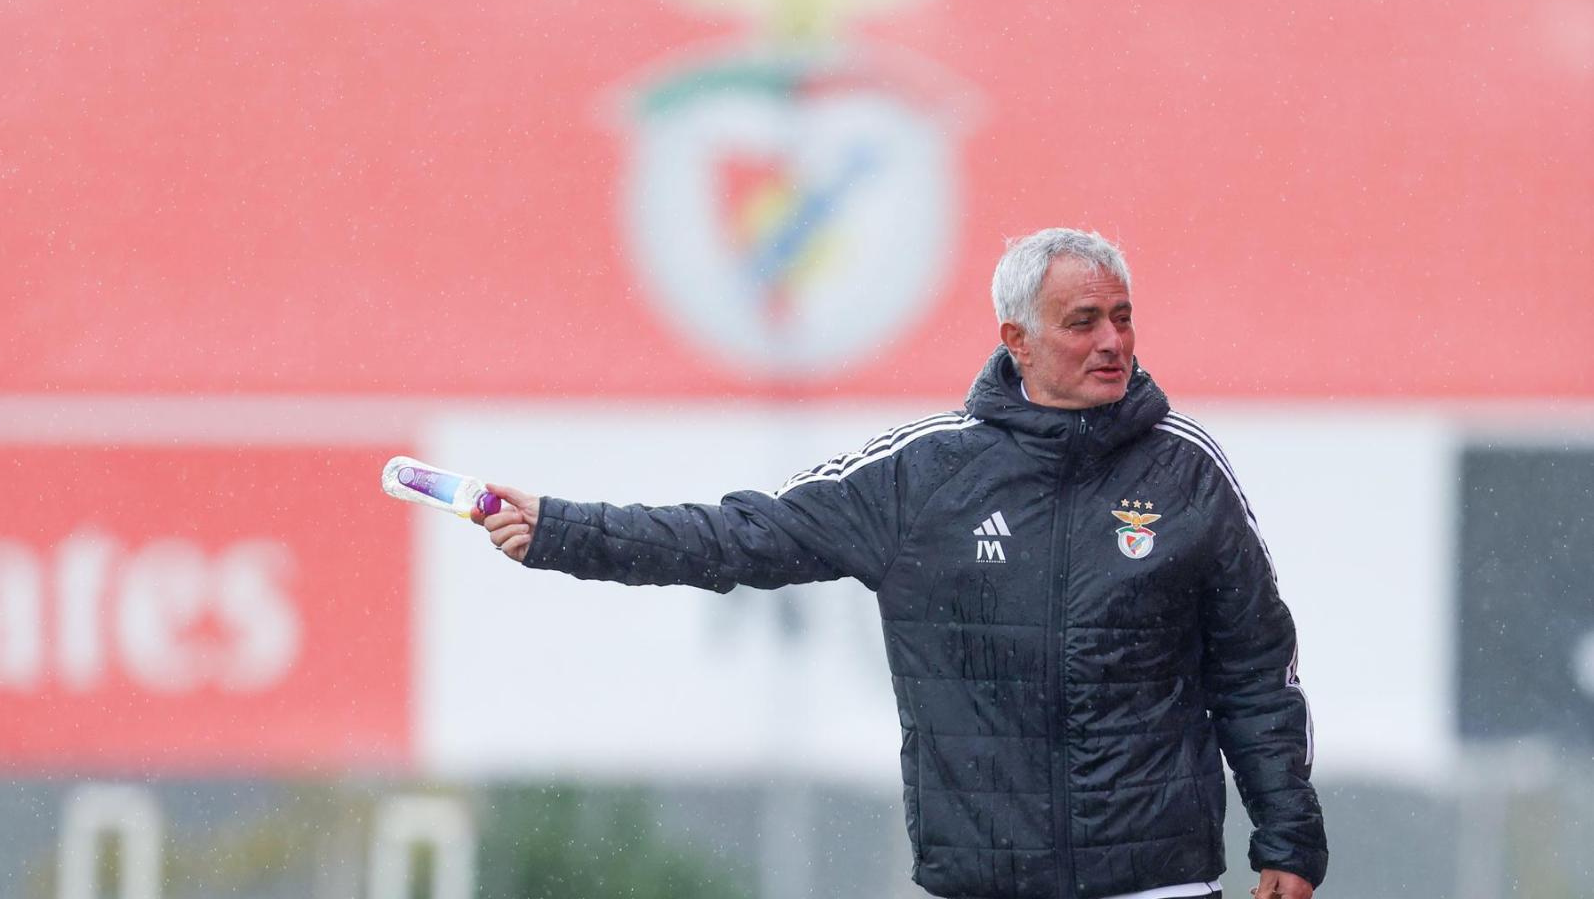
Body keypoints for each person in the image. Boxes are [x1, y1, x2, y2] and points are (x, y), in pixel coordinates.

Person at [473, 228, 1326, 899]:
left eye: (1123, 316)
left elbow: (1256, 671)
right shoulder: (924, 475)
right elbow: (740, 536)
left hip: (1161, 879)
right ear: (1017, 340)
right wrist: (562, 530)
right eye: (1083, 322)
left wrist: (1288, 835)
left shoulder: (1187, 471)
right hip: (989, 879)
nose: (1114, 341)